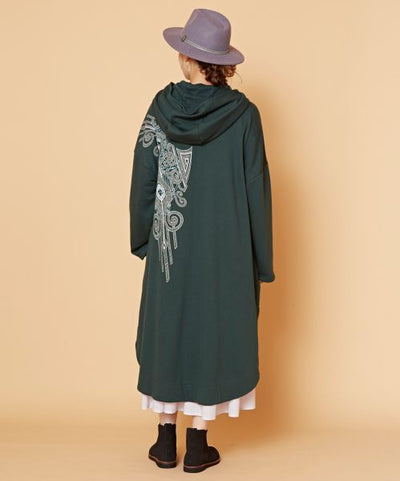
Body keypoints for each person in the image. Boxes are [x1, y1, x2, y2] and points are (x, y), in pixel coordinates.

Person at [129, 8, 275, 473]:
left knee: (168, 327)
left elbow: (143, 177)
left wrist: (144, 238)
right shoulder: (245, 116)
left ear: (187, 58)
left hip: (169, 246)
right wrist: (260, 259)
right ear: (222, 64)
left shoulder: (159, 108)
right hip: (225, 249)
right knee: (212, 330)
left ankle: (163, 441)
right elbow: (257, 187)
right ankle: (197, 445)